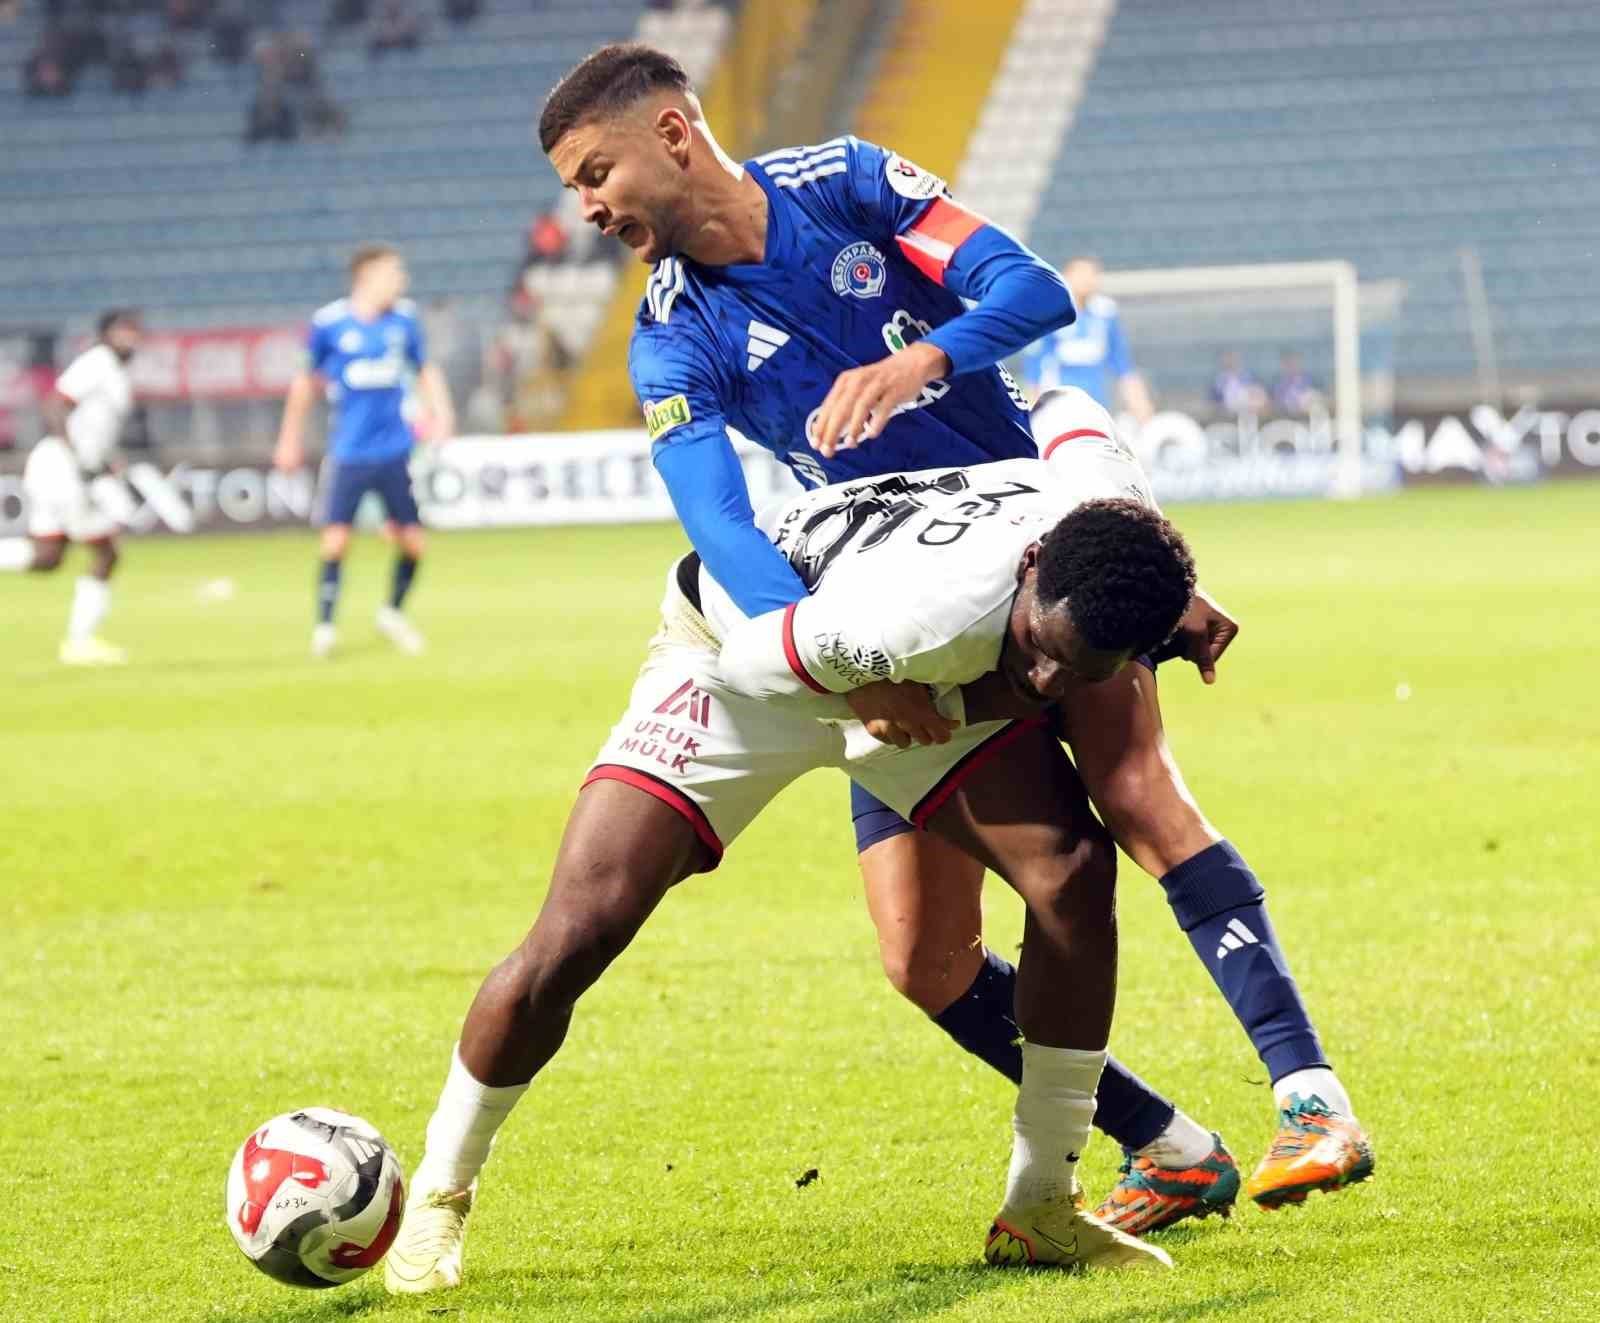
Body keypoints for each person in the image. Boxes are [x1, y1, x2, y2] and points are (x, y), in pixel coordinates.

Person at [535, 43, 1371, 1231]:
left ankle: (1310, 1096)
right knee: (923, 961)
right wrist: (830, 670)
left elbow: (1034, 292)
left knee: (1132, 795)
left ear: (671, 133)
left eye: (591, 172)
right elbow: (721, 529)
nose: (587, 208)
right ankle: (1167, 1147)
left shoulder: (849, 182)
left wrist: (922, 356)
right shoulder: (673, 328)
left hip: (1035, 561)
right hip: (898, 615)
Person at [385, 423, 1200, 1292]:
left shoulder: (1108, 522)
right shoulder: (925, 605)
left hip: (917, 682)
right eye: (1041, 649)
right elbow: (759, 658)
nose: (1044, 683)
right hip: (748, 661)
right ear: (1033, 564)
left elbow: (1078, 418)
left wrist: (1182, 606)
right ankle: (439, 1191)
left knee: (1071, 874)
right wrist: (869, 689)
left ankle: (1041, 1206)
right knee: (585, 926)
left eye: (1079, 671)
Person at [272, 243, 455, 658]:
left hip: (394, 451)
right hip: (349, 453)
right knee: (335, 543)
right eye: (394, 273)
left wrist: (441, 413)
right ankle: (325, 627)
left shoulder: (404, 320)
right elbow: (305, 383)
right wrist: (289, 439)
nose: (401, 281)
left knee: (413, 544)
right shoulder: (330, 324)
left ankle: (391, 613)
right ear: (366, 278)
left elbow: (424, 369)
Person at [0, 311, 143, 665]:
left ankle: (81, 642)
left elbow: (93, 426)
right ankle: (80, 643)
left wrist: (104, 460)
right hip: (62, 471)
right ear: (106, 334)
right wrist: (77, 458)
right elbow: (55, 405)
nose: (132, 338)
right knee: (106, 551)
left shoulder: (115, 371)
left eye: (135, 331)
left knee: (47, 558)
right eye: (124, 331)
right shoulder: (96, 362)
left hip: (61, 469)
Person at [1022, 256, 1154, 425]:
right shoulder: (1049, 314)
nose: (1087, 280)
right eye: (1080, 274)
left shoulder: (1106, 314)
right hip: (1057, 409)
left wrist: (1142, 409)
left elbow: (1123, 366)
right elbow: (1034, 371)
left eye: (1092, 275)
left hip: (1096, 407)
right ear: (1066, 277)